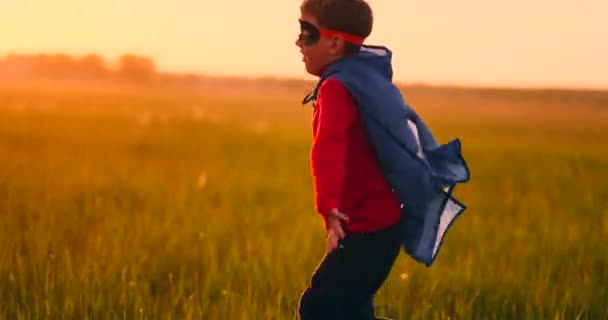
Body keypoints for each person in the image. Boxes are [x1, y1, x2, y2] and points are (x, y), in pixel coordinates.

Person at [295, 0, 403, 319]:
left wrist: (327, 206)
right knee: (351, 308)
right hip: (382, 226)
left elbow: (328, 146)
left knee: (319, 306)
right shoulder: (364, 79)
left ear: (334, 43)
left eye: (306, 32)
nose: (298, 42)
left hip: (367, 227)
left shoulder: (337, 87)